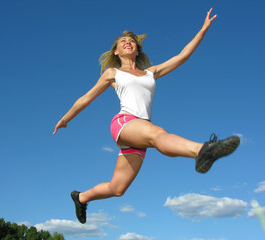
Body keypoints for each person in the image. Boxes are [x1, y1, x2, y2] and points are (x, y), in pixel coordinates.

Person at [53, 8, 240, 224]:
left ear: (137, 50)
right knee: (157, 135)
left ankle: (81, 197)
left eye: (131, 41)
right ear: (116, 52)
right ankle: (203, 150)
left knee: (117, 188)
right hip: (125, 123)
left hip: (139, 135)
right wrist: (66, 118)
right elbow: (86, 97)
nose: (127, 42)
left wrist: (203, 29)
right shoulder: (113, 73)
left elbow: (182, 56)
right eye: (122, 41)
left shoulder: (151, 72)